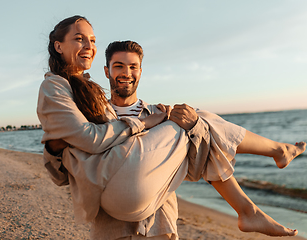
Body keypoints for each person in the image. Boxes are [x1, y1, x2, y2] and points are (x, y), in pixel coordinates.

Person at [37, 16, 306, 239]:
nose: (126, 73)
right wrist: (55, 148)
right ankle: (266, 173)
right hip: (112, 226)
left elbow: (194, 166)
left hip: (159, 225)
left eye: (133, 67)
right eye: (118, 66)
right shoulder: (95, 107)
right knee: (194, 118)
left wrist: (172, 127)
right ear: (106, 71)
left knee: (195, 122)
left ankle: (252, 204)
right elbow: (66, 172)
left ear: (141, 71)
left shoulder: (154, 113)